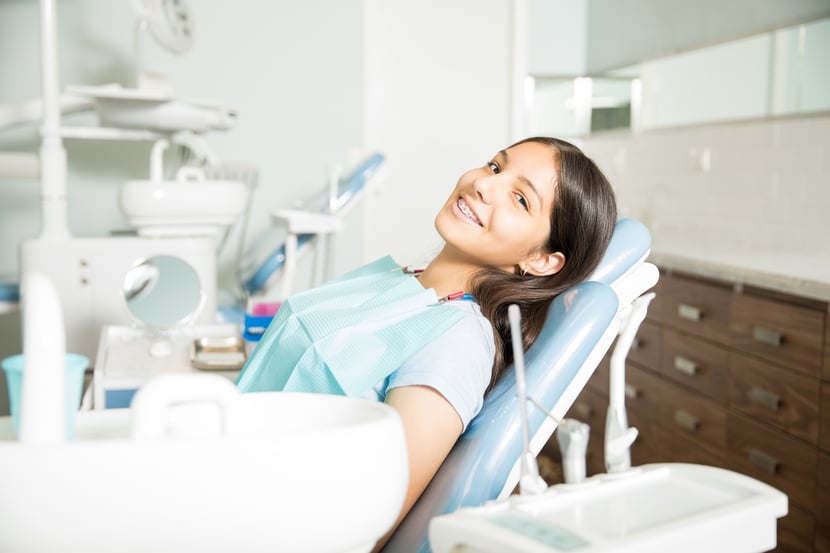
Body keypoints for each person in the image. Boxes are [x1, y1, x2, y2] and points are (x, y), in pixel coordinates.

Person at [239, 136, 617, 550]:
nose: (483, 184)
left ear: (540, 260)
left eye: (521, 199)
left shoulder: (456, 342)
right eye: (495, 166)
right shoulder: (406, 281)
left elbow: (365, 523)